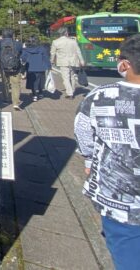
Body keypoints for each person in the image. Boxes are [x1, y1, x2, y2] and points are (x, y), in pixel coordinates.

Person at [74, 34, 140, 269]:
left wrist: (89, 159)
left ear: (125, 64)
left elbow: (83, 132)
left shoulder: (101, 96)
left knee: (128, 256)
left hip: (119, 199)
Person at [50, 28, 84, 99]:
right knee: (72, 76)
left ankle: (70, 93)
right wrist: (81, 60)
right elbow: (78, 51)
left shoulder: (56, 42)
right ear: (66, 33)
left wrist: (52, 61)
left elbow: (52, 53)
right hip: (73, 61)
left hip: (63, 62)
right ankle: (73, 90)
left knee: (66, 78)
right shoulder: (73, 41)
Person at [0, 29, 23, 108]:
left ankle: (6, 99)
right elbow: (21, 53)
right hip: (15, 67)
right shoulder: (18, 44)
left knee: (5, 83)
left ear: (3, 35)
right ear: (12, 35)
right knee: (16, 84)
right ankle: (16, 103)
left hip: (3, 66)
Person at [21, 35, 51, 102]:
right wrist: (49, 66)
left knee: (32, 82)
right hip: (41, 67)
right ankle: (40, 92)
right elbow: (46, 58)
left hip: (30, 67)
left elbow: (23, 59)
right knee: (40, 81)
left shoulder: (26, 49)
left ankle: (34, 95)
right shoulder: (42, 48)